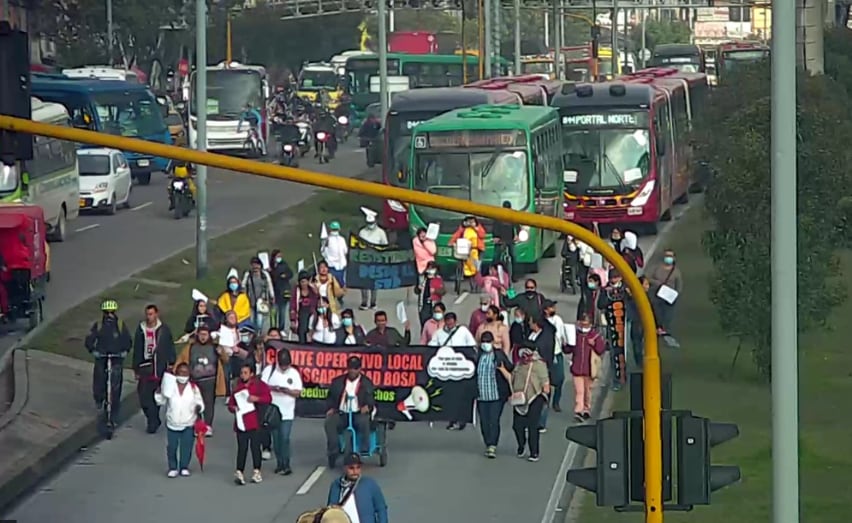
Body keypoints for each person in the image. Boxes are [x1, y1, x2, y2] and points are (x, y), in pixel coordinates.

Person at [85, 299, 132, 429]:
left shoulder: (121, 325)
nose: (109, 315)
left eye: (112, 313)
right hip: (102, 357)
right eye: (107, 312)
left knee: (116, 384)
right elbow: (90, 339)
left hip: (116, 358)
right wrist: (92, 350)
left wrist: (125, 351)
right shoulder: (98, 325)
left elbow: (127, 340)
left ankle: (115, 411)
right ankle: (99, 400)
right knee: (99, 379)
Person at [155, 362, 204, 477]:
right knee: (172, 447)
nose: (183, 375)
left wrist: (198, 408)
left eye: (186, 372)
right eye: (181, 372)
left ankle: (184, 466)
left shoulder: (193, 388)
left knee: (186, 446)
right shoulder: (170, 386)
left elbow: (200, 402)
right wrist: (158, 392)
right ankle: (172, 467)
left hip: (188, 423)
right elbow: (161, 401)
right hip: (173, 422)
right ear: (176, 373)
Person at [133, 304, 176, 434]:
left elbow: (170, 345)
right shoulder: (141, 329)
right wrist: (136, 368)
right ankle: (152, 418)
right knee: (143, 396)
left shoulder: (163, 329)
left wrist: (171, 362)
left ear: (156, 314)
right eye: (147, 314)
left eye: (151, 314)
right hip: (144, 366)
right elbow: (137, 348)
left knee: (155, 395)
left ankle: (153, 422)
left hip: (159, 365)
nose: (149, 317)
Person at [176, 324, 227, 436]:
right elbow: (181, 360)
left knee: (209, 404)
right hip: (194, 380)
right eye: (201, 334)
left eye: (205, 334)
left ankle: (208, 425)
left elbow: (225, 360)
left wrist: (221, 352)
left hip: (210, 380)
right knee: (195, 404)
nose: (203, 337)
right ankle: (198, 425)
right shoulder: (190, 347)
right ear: (197, 335)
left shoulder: (215, 347)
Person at [325, 356, 375, 467]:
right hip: (342, 413)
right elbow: (330, 398)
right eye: (351, 368)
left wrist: (367, 407)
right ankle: (334, 449)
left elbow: (371, 400)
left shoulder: (366, 383)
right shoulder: (338, 382)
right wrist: (331, 408)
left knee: (364, 421)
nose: (352, 371)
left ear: (360, 369)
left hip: (358, 413)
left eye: (355, 368)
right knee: (330, 422)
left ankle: (364, 448)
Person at [227, 363, 272, 485]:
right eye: (241, 373)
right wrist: (233, 407)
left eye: (245, 373)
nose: (243, 375)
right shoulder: (238, 387)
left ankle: (257, 471)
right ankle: (239, 471)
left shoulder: (260, 386)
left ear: (252, 374)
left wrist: (256, 399)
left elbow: (268, 398)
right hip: (241, 423)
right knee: (242, 448)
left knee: (255, 448)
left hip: (255, 422)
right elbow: (231, 403)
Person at [261, 348, 303, 475]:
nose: (284, 368)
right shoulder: (269, 370)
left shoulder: (294, 373)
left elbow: (298, 392)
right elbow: (262, 387)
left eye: (286, 365)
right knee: (276, 439)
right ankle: (279, 464)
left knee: (285, 438)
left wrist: (287, 391)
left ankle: (286, 464)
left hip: (287, 411)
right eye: (282, 365)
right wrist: (273, 388)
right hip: (273, 411)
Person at [475, 331, 514, 458]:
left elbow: (510, 369)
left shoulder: (499, 355)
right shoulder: (477, 356)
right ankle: (488, 442)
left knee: (494, 420)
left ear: (492, 342)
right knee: (484, 422)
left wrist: (503, 370)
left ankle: (492, 445)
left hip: (496, 396)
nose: (485, 344)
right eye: (483, 342)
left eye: (488, 341)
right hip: (481, 396)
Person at [511, 345, 550, 462]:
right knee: (517, 426)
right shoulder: (519, 364)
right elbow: (513, 378)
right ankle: (521, 445)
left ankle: (534, 452)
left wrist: (545, 392)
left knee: (533, 426)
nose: (524, 356)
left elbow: (546, 385)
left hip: (535, 397)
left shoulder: (539, 365)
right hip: (519, 398)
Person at [564, 314, 606, 422]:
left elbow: (601, 350)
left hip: (589, 369)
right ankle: (578, 411)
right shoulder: (575, 335)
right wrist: (566, 344)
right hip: (577, 369)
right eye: (581, 324)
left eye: (586, 324)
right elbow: (568, 350)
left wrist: (594, 344)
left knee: (587, 391)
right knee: (579, 391)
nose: (583, 326)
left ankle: (586, 409)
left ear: (590, 325)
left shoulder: (594, 336)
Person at [326, 453, 389, 523]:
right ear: (344, 468)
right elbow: (331, 512)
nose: (355, 471)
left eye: (358, 467)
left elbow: (381, 508)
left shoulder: (370, 484)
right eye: (351, 468)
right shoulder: (337, 485)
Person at [598, 269, 628, 391]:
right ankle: (617, 379)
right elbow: (600, 305)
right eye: (612, 278)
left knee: (626, 352)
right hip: (612, 327)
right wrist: (606, 295)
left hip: (625, 325)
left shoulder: (626, 288)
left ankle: (626, 376)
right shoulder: (605, 290)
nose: (614, 280)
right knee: (614, 353)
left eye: (616, 278)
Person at [526, 313, 556, 432]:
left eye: (531, 321)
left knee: (541, 396)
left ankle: (540, 423)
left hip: (541, 370)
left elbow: (546, 354)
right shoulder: (532, 334)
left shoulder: (545, 338)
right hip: (530, 369)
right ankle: (530, 421)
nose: (529, 324)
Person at [357, 210, 388, 310]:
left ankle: (373, 302)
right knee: (363, 283)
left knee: (374, 284)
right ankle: (364, 302)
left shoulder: (381, 233)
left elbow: (385, 246)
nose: (370, 225)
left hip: (376, 261)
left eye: (372, 223)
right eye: (368, 223)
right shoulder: (362, 232)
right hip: (364, 260)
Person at [649, 249, 683, 337]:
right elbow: (649, 278)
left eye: (670, 256)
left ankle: (665, 328)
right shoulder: (656, 268)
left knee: (668, 313)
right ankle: (658, 327)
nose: (668, 258)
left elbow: (679, 285)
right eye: (667, 256)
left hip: (669, 296)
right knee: (657, 311)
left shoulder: (676, 272)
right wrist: (658, 283)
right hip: (657, 293)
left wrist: (676, 295)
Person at [544, 300, 569, 413]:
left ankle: (556, 402)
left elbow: (563, 334)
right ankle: (546, 401)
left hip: (557, 352)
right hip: (546, 355)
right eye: (551, 307)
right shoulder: (542, 322)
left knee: (560, 379)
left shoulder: (558, 320)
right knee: (546, 380)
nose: (553, 309)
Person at [242, 257, 275, 336]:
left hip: (263, 301)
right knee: (252, 320)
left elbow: (270, 285)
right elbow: (243, 286)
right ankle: (254, 335)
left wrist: (272, 296)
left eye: (257, 265)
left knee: (261, 321)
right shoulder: (248, 275)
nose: (255, 267)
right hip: (251, 301)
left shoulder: (264, 275)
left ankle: (261, 334)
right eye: (253, 265)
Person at [625, 276, 652, 367]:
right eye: (646, 284)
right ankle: (639, 362)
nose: (648, 286)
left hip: (642, 322)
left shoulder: (646, 296)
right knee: (637, 343)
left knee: (641, 343)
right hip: (637, 322)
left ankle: (640, 360)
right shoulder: (635, 297)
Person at [448, 216, 486, 280]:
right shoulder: (463, 228)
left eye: (472, 221)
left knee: (477, 266)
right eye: (469, 221)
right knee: (462, 261)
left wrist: (475, 228)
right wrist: (451, 242)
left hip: (477, 249)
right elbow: (457, 235)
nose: (470, 223)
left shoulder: (478, 227)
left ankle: (478, 278)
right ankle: (462, 275)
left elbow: (482, 235)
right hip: (465, 248)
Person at [414, 261, 445, 332]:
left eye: (432, 268)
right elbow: (416, 291)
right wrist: (418, 288)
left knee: (435, 325)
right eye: (429, 268)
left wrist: (435, 291)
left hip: (434, 305)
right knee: (425, 325)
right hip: (424, 305)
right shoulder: (422, 279)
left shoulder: (438, 279)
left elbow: (443, 291)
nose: (430, 270)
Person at [291, 271, 320, 343]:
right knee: (302, 330)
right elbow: (293, 305)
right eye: (302, 282)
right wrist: (293, 319)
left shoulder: (312, 290)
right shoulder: (297, 291)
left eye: (305, 281)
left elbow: (318, 297)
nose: (304, 284)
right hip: (301, 314)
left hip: (311, 313)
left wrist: (314, 288)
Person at [270, 250, 294, 332]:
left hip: (283, 291)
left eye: (280, 256)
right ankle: (273, 329)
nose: (279, 258)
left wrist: (285, 275)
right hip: (273, 292)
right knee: (273, 312)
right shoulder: (270, 266)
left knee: (282, 311)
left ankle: (281, 328)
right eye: (277, 256)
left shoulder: (284, 265)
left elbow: (291, 274)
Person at [321, 221, 348, 287]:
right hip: (334, 266)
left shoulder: (328, 240)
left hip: (337, 265)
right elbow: (346, 251)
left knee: (336, 284)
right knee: (337, 284)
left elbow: (323, 252)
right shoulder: (340, 239)